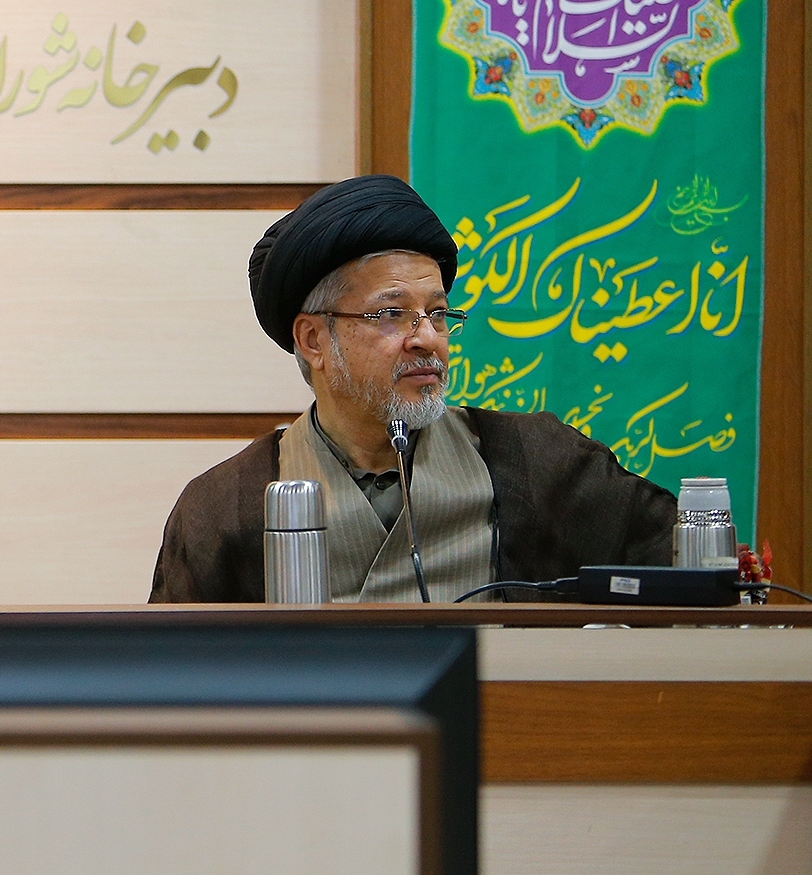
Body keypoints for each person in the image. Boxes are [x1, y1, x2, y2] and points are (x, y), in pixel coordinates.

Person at [150, 174, 674, 603]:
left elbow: (685, 565)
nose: (428, 339)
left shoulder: (537, 461)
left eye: (438, 314)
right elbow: (175, 677)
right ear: (313, 340)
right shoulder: (224, 506)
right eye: (392, 314)